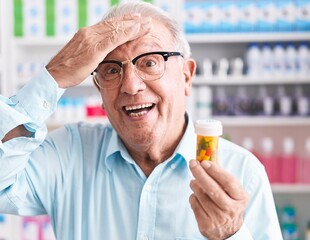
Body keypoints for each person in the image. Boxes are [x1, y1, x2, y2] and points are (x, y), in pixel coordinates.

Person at [0, 2, 282, 240]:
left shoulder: (242, 172)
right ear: (99, 88)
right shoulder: (68, 154)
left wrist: (230, 234)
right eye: (111, 69)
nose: (131, 86)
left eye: (149, 62)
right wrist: (56, 75)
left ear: (186, 75)